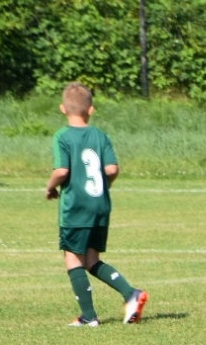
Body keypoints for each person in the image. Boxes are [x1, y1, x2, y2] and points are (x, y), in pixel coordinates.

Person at [45, 83, 149, 327]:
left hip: (76, 207)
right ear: (91, 110)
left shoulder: (62, 136)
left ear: (63, 108)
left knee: (73, 259)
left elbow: (62, 171)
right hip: (100, 206)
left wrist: (50, 187)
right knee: (91, 259)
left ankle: (89, 316)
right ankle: (131, 294)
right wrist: (105, 185)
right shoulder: (100, 136)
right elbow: (112, 169)